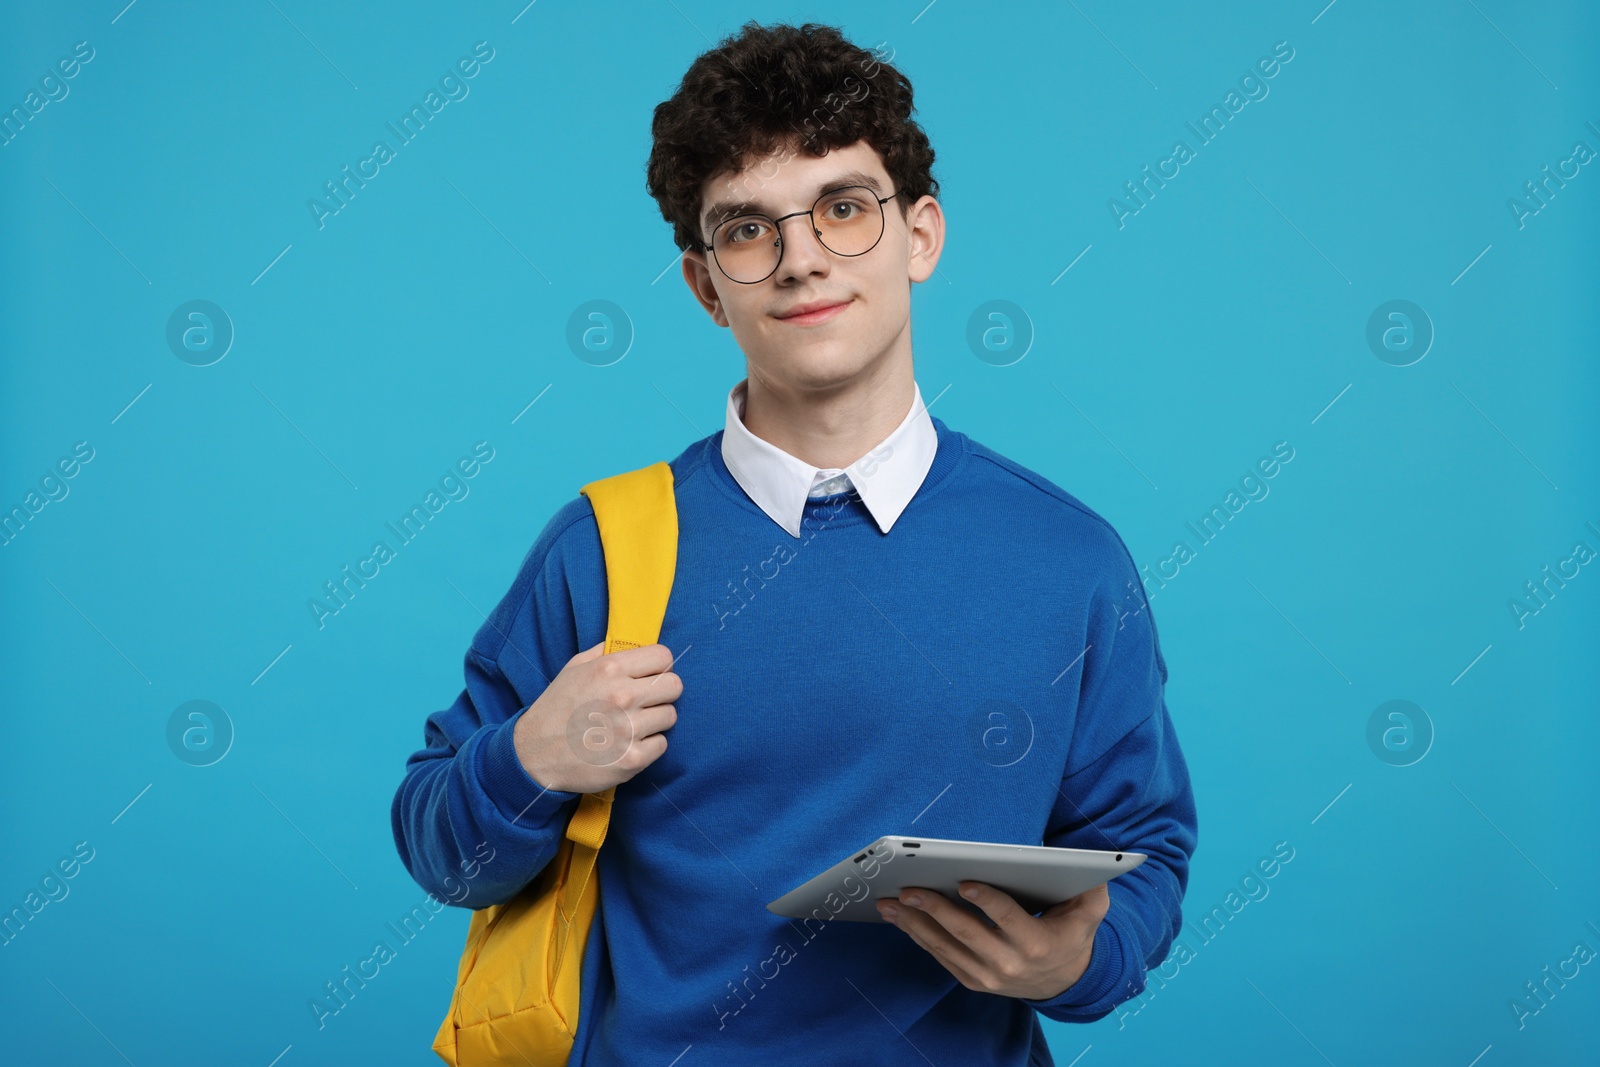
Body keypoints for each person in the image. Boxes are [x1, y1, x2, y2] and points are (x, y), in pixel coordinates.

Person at [391, 20, 1197, 1066]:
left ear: (920, 234)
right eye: (747, 229)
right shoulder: (603, 549)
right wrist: (528, 759)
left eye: (843, 208)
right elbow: (445, 852)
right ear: (703, 283)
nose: (802, 257)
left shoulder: (1070, 559)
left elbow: (1145, 854)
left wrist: (1073, 963)